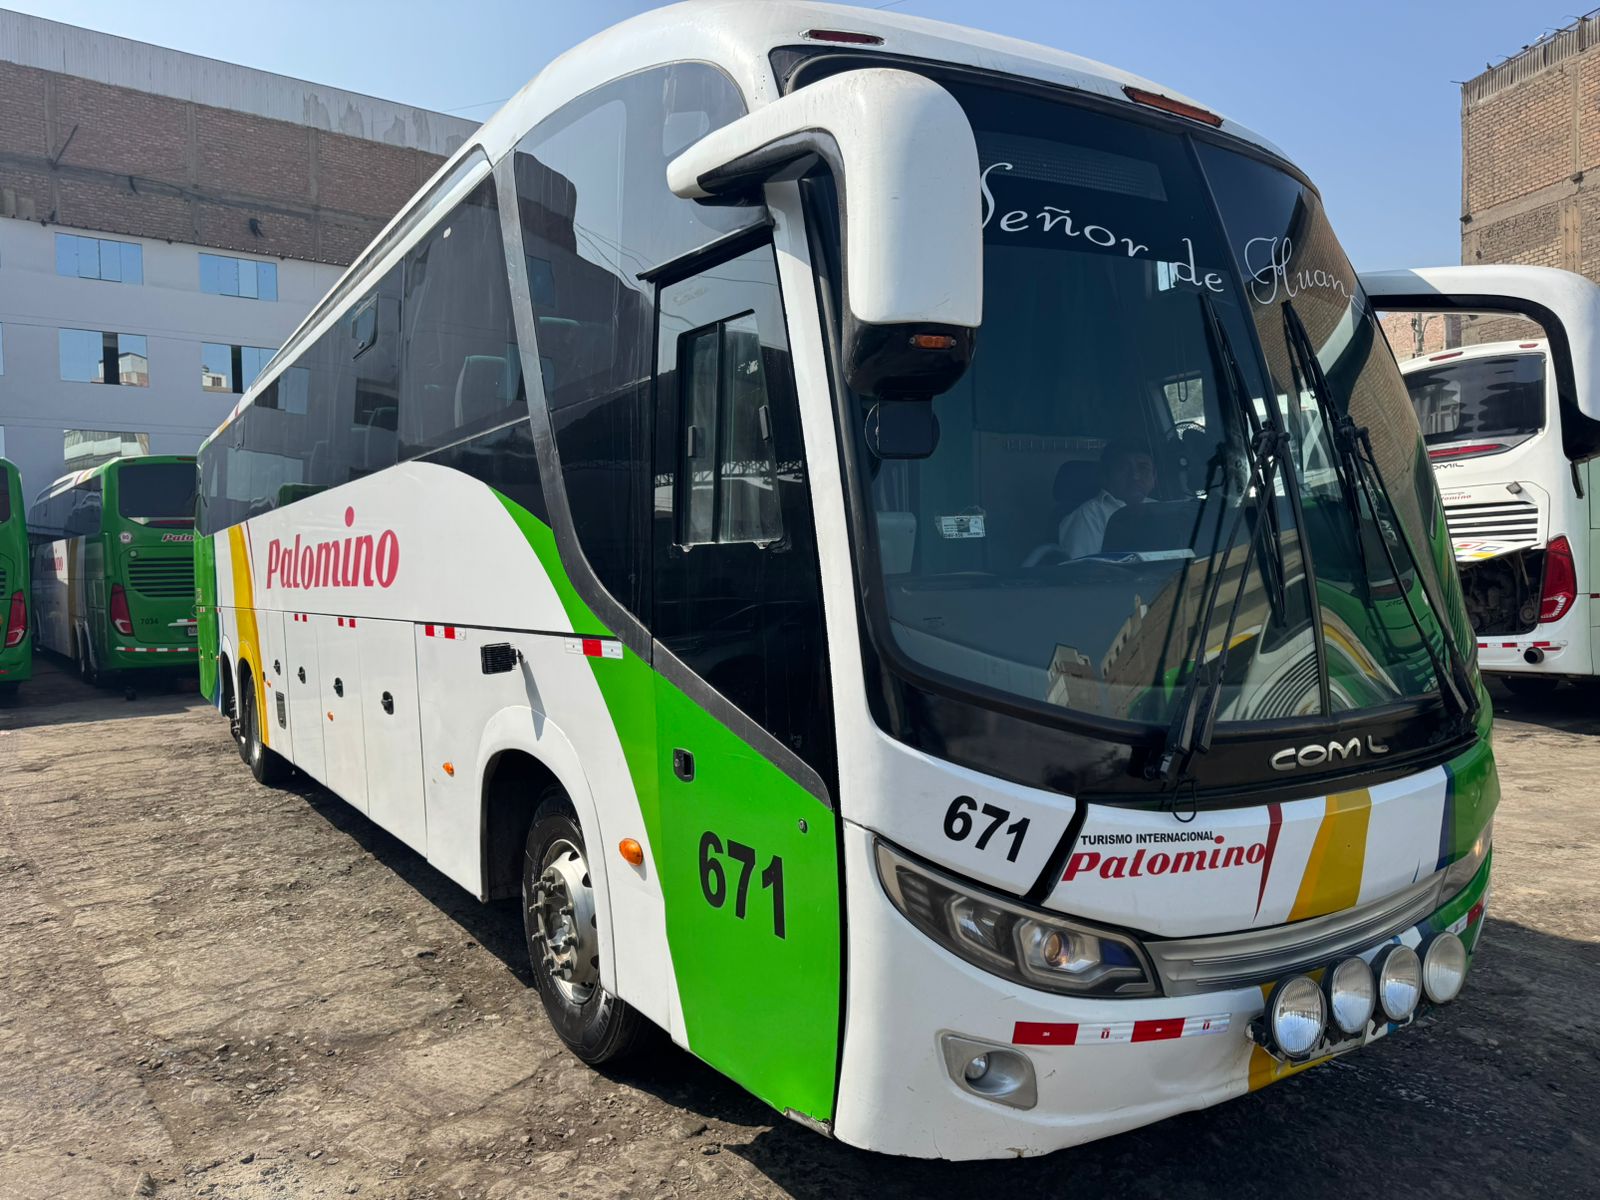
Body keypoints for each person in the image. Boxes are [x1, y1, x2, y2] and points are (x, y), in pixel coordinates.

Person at [1058, 440, 1156, 557]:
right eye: (1123, 468)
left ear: (1154, 476)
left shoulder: (1162, 509)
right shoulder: (1089, 516)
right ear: (1105, 475)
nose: (1135, 476)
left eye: (1143, 468)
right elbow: (1083, 572)